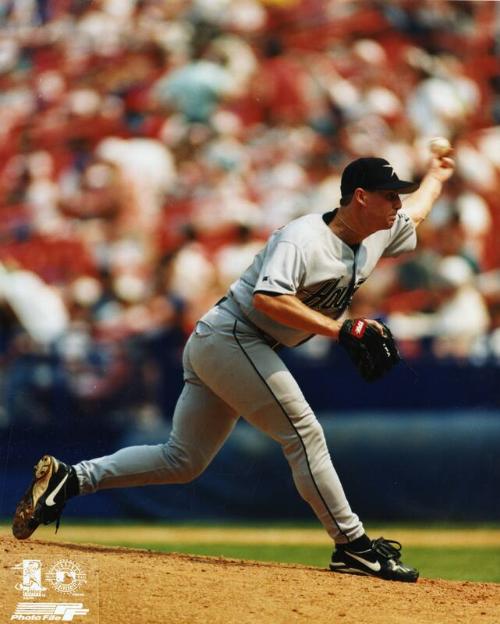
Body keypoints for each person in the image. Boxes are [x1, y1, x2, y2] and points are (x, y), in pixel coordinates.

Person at [12, 154, 455, 583]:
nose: (397, 204)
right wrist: (339, 330)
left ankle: (69, 480)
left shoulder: (376, 233)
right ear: (360, 197)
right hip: (234, 336)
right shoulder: (303, 238)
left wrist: (435, 175)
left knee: (182, 459)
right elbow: (268, 297)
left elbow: (417, 212)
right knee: (303, 432)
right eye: (389, 195)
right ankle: (353, 545)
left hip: (229, 342)